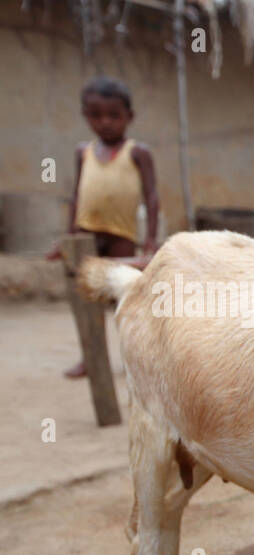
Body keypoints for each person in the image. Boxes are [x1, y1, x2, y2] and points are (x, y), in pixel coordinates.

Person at [57, 76, 159, 378]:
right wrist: (70, 234)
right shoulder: (83, 152)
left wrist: (150, 240)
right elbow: (76, 196)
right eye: (96, 115)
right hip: (86, 235)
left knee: (124, 301)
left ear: (129, 116)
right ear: (85, 115)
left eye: (114, 115)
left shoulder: (138, 152)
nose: (105, 122)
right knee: (86, 301)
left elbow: (152, 197)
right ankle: (91, 358)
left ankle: (135, 360)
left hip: (121, 236)